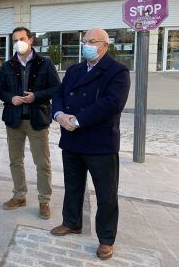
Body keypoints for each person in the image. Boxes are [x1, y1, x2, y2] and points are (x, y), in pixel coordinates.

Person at [50, 28, 130, 260]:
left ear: (105, 45)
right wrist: (59, 115)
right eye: (84, 41)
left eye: (91, 41)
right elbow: (59, 94)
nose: (85, 45)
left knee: (106, 194)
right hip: (71, 139)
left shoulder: (117, 71)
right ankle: (72, 222)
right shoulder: (74, 69)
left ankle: (106, 239)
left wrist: (78, 119)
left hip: (100, 143)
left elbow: (112, 103)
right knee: (73, 186)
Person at [0, 27, 60, 219]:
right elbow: (0, 91)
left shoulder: (45, 63)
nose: (19, 42)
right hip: (14, 121)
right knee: (15, 161)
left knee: (42, 163)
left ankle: (44, 201)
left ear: (31, 40)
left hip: (37, 120)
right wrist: (11, 99)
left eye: (22, 38)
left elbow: (57, 88)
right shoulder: (8, 65)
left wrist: (36, 96)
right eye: (15, 40)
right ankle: (19, 195)